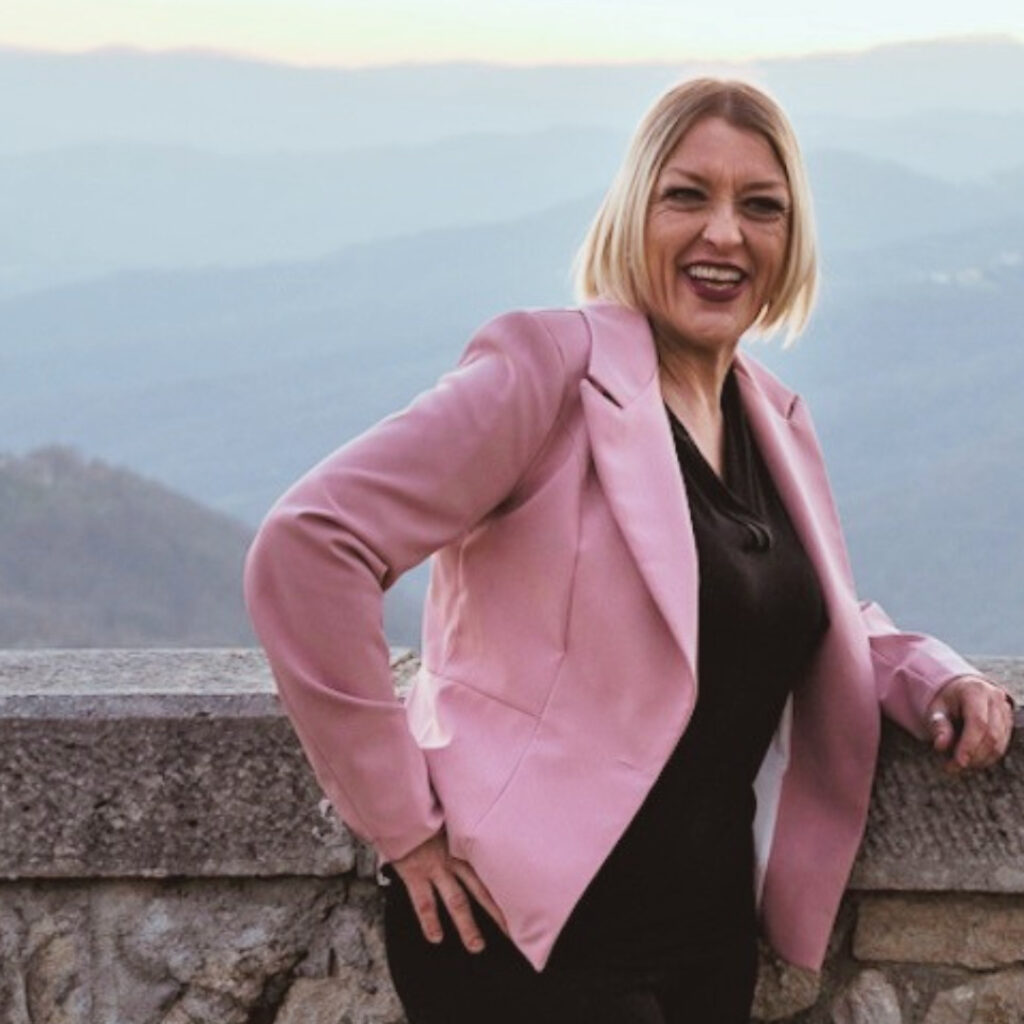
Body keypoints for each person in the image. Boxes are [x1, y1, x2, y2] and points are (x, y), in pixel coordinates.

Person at [243, 77, 1015, 1024]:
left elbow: (777, 606)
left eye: (760, 206)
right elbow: (308, 545)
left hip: (706, 940)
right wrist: (400, 823)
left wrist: (930, 676)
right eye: (687, 196)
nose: (724, 233)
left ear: (792, 237)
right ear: (634, 213)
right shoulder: (546, 372)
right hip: (523, 937)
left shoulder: (771, 417)